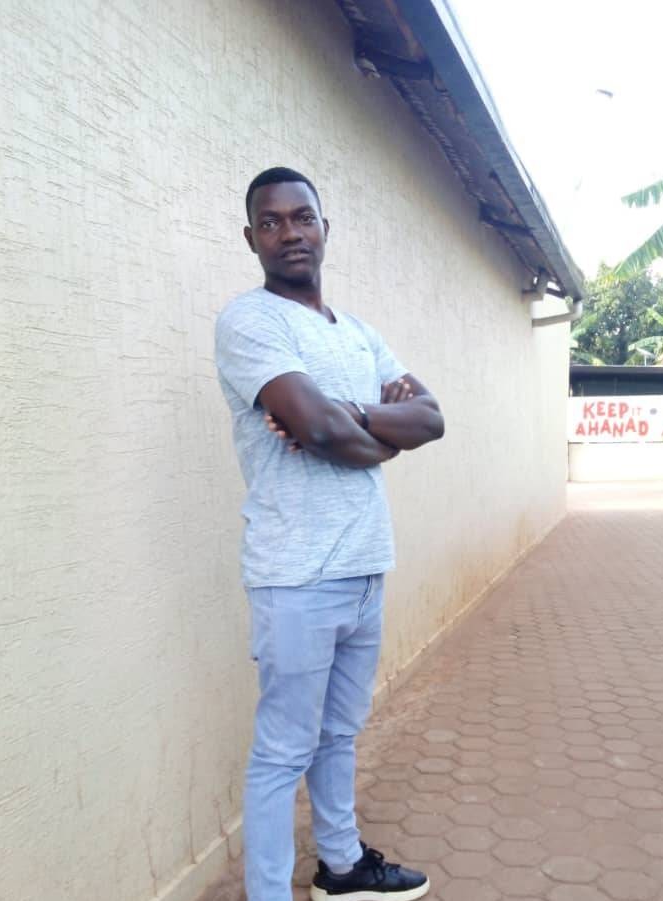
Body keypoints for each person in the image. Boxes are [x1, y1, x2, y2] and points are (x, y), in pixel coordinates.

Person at [215, 167, 444, 901]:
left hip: (365, 566)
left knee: (339, 733)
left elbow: (431, 417)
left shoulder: (360, 334)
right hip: (295, 577)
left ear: (324, 228)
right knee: (283, 751)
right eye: (271, 222)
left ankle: (341, 867)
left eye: (302, 217)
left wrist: (354, 417)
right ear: (251, 237)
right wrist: (374, 432)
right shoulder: (250, 322)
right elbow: (314, 428)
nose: (289, 232)